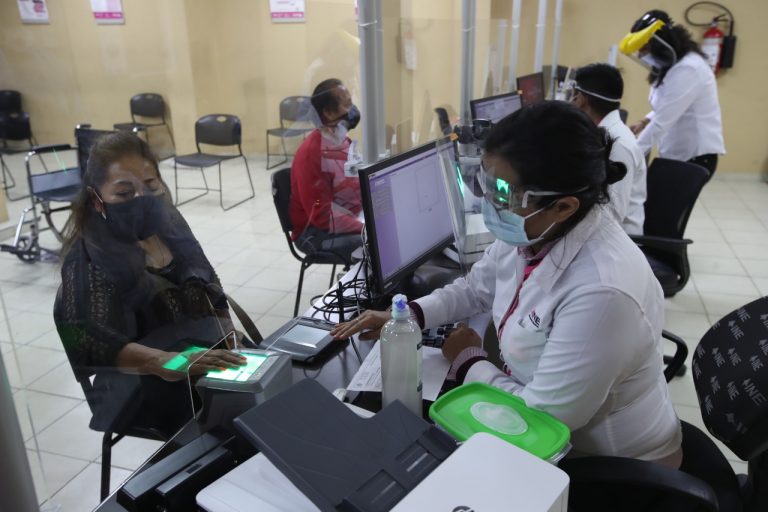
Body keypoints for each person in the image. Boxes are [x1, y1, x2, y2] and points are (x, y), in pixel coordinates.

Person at [333, 101, 683, 466]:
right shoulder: (538, 229)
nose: (490, 202)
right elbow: (476, 287)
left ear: (563, 206)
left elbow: (544, 417)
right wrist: (410, 314)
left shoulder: (603, 291)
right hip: (547, 432)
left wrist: (468, 361)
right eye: (486, 180)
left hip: (605, 465)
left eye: (502, 190)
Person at [54, 132, 246, 437]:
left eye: (151, 186)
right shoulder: (88, 260)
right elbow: (86, 339)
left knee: (271, 387)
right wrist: (166, 362)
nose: (143, 200)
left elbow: (209, 282)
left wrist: (229, 335)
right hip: (141, 382)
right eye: (125, 193)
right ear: (97, 199)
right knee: (239, 422)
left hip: (197, 352)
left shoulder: (168, 223)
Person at [620, 9, 725, 177]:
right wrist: (645, 121)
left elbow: (663, 119)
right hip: (678, 154)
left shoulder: (689, 68)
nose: (642, 54)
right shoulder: (674, 67)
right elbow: (669, 105)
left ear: (660, 44)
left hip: (694, 157)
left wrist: (628, 156)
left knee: (665, 202)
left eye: (645, 48)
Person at [289, 78, 363, 263]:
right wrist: (363, 226)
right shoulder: (312, 153)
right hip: (314, 233)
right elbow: (322, 217)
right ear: (328, 113)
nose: (352, 109)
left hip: (346, 216)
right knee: (377, 243)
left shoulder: (341, 141)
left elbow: (352, 182)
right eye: (347, 104)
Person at [568, 63, 646, 235]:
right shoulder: (604, 133)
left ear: (581, 99)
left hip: (620, 239)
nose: (570, 101)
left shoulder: (619, 145)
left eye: (573, 95)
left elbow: (613, 214)